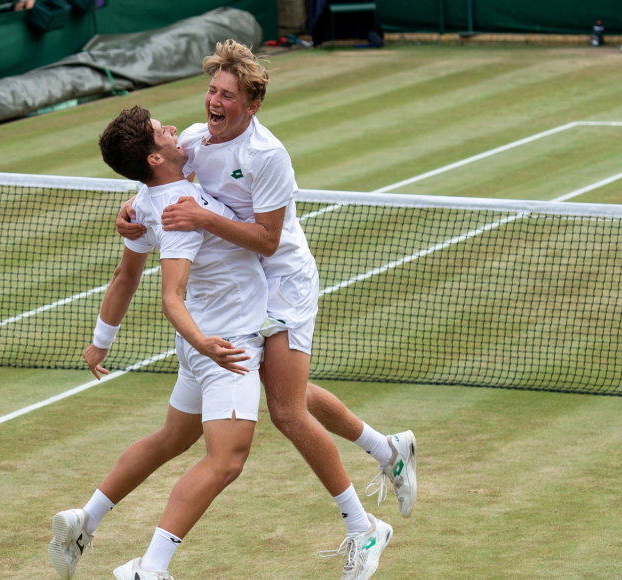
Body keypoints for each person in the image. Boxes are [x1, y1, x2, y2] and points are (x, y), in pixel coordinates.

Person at [117, 40, 413, 579]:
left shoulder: (267, 155)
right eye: (211, 89)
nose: (214, 101)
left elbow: (269, 240)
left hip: (284, 284)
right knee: (283, 393)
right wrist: (134, 212)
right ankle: (386, 449)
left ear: (250, 105)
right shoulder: (191, 139)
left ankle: (363, 528)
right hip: (244, 290)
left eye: (226, 94)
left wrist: (205, 222)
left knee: (285, 410)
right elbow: (160, 180)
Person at [48, 105, 269, 580]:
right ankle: (150, 568)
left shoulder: (146, 196)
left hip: (200, 347)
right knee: (226, 461)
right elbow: (171, 296)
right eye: (159, 131)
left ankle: (86, 519)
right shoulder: (180, 212)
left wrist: (101, 341)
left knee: (173, 437)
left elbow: (124, 276)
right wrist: (208, 345)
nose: (172, 128)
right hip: (222, 343)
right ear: (153, 158)